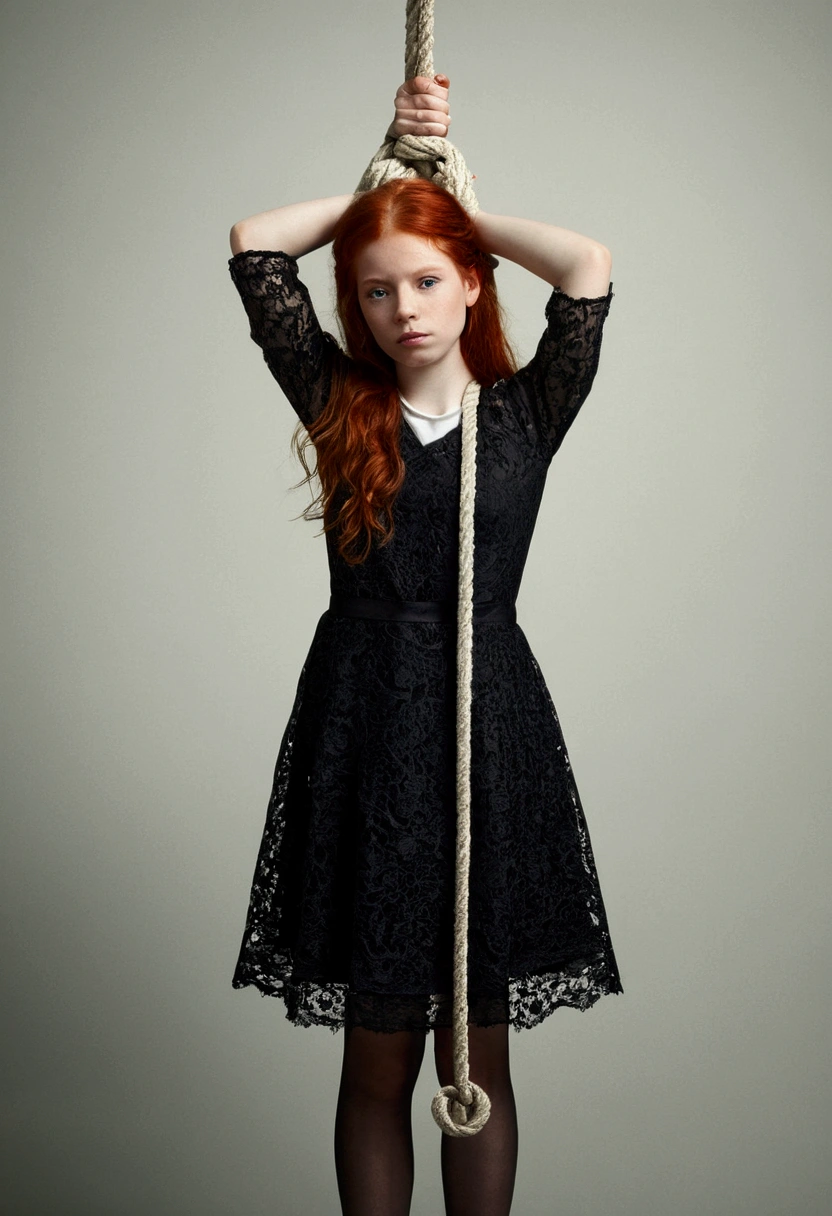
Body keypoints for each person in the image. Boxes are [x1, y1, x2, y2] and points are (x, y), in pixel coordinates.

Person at [228, 72, 622, 1216]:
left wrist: (447, 197)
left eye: (428, 280)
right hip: (364, 729)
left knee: (478, 1065)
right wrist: (386, 168)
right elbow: (257, 247)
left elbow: (587, 266)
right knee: (377, 1061)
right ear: (354, 304)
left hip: (484, 724)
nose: (404, 307)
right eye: (376, 288)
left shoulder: (527, 412)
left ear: (468, 286)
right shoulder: (339, 402)